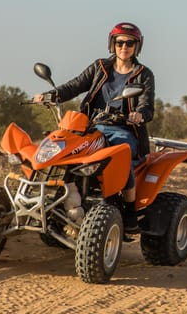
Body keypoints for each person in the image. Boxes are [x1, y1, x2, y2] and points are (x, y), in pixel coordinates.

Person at [33, 22, 155, 234]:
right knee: (65, 150)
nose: (124, 47)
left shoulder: (143, 74)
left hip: (123, 129)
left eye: (129, 43)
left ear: (137, 46)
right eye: (119, 42)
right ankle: (59, 202)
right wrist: (51, 95)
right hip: (90, 126)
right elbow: (75, 85)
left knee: (121, 152)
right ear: (112, 44)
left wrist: (139, 114)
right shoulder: (100, 67)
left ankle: (129, 211)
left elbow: (147, 105)